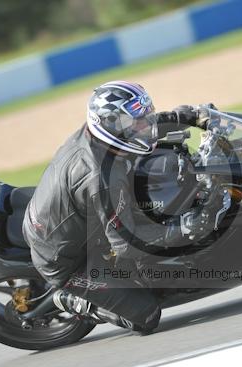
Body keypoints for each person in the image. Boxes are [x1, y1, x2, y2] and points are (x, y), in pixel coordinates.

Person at [22, 80, 217, 334]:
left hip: (74, 220)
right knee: (146, 317)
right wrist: (186, 227)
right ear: (113, 125)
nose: (146, 124)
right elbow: (126, 245)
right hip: (66, 260)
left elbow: (142, 124)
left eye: (144, 115)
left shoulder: (106, 137)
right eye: (137, 121)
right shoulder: (101, 179)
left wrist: (186, 115)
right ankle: (72, 299)